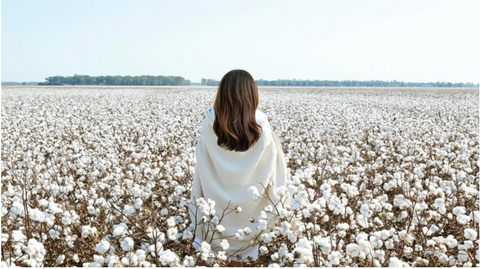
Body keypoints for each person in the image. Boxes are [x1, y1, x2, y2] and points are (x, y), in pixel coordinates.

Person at [189, 69, 290, 266]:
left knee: (208, 258)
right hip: (253, 220)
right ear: (252, 95)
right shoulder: (264, 130)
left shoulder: (209, 127)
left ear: (222, 96)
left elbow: (201, 172)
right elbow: (276, 174)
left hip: (214, 216)